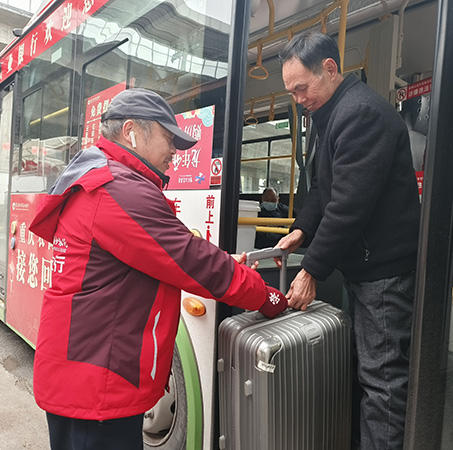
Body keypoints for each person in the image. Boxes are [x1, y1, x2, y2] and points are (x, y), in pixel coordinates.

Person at [29, 88, 287, 450]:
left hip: (83, 370)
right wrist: (267, 296)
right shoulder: (118, 189)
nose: (174, 153)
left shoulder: (102, 177)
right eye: (169, 139)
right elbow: (194, 262)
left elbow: (169, 255)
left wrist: (227, 263)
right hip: (96, 384)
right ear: (132, 131)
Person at [277, 32, 421, 450]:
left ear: (330, 68)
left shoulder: (360, 114)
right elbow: (323, 188)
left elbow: (348, 205)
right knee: (368, 371)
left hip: (385, 275)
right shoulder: (332, 113)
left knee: (383, 382)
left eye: (301, 88)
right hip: (366, 268)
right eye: (291, 93)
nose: (298, 100)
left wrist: (311, 270)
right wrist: (302, 230)